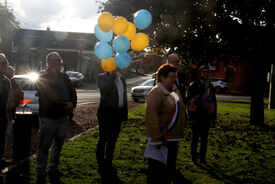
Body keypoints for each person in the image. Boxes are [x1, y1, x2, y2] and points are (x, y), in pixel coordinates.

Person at [35, 52, 77, 184]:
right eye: (55, 61)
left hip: (62, 117)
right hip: (48, 117)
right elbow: (50, 95)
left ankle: (53, 167)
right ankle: (40, 170)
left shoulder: (64, 76)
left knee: (58, 144)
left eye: (59, 61)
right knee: (44, 145)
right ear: (48, 62)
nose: (58, 64)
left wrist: (72, 103)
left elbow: (73, 92)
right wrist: (66, 105)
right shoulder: (42, 76)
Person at [145, 63, 186, 184]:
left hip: (173, 138)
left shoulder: (175, 90)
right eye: (171, 77)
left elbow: (180, 109)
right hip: (161, 139)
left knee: (168, 170)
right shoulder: (156, 93)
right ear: (162, 77)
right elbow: (151, 117)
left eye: (175, 77)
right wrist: (156, 139)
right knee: (156, 172)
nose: (174, 80)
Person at [96, 69, 128, 180]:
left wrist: (125, 114)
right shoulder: (102, 76)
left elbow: (123, 97)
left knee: (113, 140)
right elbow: (105, 90)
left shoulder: (122, 78)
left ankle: (109, 162)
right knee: (103, 138)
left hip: (117, 114)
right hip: (105, 114)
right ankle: (100, 164)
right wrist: (113, 76)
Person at [187, 65, 217, 164]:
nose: (205, 74)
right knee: (195, 137)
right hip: (196, 116)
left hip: (207, 117)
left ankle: (203, 158)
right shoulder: (194, 85)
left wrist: (214, 117)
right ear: (199, 74)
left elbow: (213, 101)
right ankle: (194, 157)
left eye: (207, 72)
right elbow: (189, 102)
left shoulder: (211, 86)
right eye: (203, 72)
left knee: (204, 138)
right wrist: (191, 118)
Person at [4, 66, 24, 153]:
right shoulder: (3, 82)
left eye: (13, 73)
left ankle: (2, 153)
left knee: (7, 134)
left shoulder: (14, 84)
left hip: (10, 113)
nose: (11, 74)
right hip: (3, 111)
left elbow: (21, 96)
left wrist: (14, 103)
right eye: (10, 72)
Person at [0, 53, 11, 169]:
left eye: (6, 63)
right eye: (3, 63)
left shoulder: (7, 81)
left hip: (2, 115)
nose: (5, 66)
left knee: (2, 137)